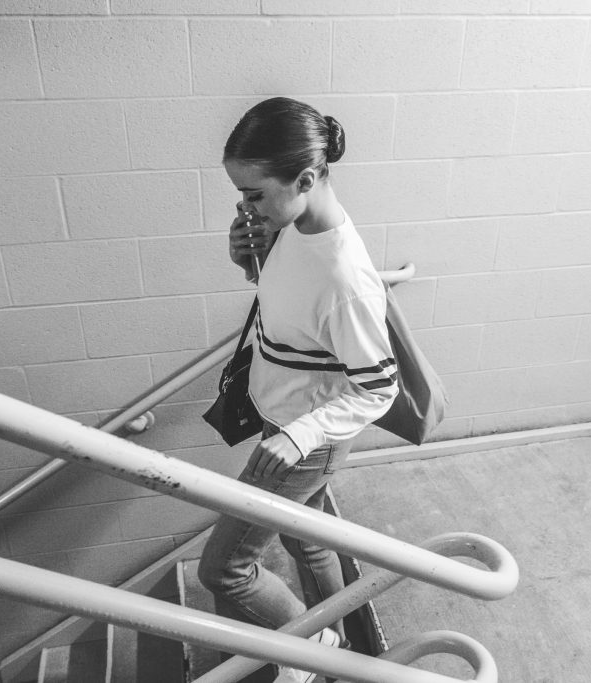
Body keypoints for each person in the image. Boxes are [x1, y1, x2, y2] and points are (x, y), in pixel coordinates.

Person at [197, 97, 400, 683]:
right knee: (306, 536)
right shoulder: (292, 225)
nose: (245, 207)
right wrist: (249, 266)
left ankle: (315, 658)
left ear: (306, 179)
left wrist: (303, 432)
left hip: (303, 436)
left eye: (254, 194)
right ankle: (343, 629)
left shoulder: (346, 277)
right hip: (284, 415)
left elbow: (380, 388)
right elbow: (295, 315)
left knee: (226, 570)